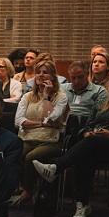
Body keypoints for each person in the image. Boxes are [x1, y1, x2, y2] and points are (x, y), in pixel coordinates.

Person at [33, 69, 109, 217]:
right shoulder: (102, 103)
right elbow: (87, 126)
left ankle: (57, 167)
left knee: (90, 145)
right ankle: (82, 205)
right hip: (95, 145)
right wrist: (87, 133)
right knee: (85, 155)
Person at [12, 59, 68, 205]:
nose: (41, 75)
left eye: (45, 72)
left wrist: (46, 96)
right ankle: (28, 187)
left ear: (53, 77)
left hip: (50, 141)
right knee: (15, 154)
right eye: (38, 72)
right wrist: (42, 124)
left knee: (31, 157)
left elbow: (50, 118)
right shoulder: (27, 97)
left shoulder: (61, 97)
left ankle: (26, 191)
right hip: (27, 138)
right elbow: (18, 122)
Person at [63, 61, 107, 137]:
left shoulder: (99, 91)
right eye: (73, 78)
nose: (76, 81)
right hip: (64, 125)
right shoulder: (62, 89)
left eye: (80, 77)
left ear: (87, 74)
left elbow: (99, 116)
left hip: (86, 126)